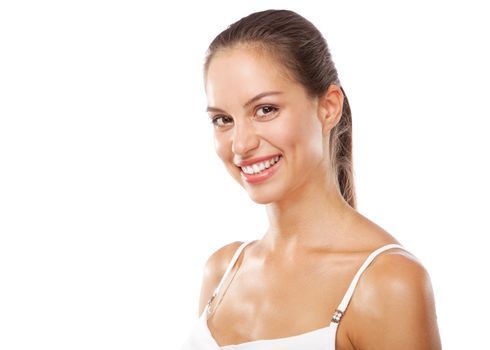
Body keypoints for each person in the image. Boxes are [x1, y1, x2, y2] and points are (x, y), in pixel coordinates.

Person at [181, 9, 442, 350]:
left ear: (329, 107)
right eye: (223, 119)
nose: (241, 144)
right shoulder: (222, 271)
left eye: (265, 110)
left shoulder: (387, 282)